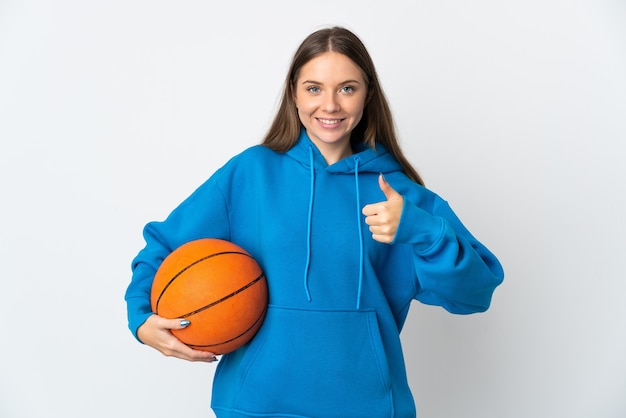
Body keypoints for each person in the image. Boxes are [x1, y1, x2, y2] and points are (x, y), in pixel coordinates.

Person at [125, 26, 504, 418]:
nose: (330, 105)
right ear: (294, 93)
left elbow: (475, 294)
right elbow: (165, 245)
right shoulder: (251, 174)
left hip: (366, 408)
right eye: (314, 88)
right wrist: (141, 317)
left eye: (346, 88)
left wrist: (424, 232)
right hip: (255, 405)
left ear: (367, 94)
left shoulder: (400, 197)